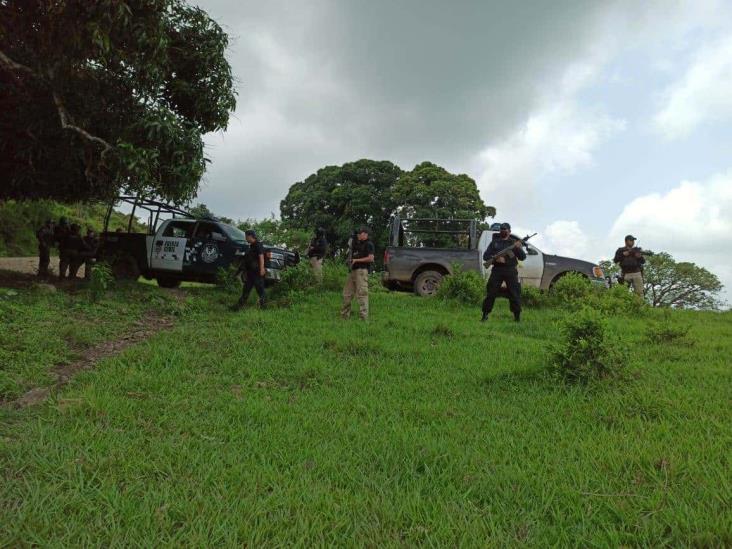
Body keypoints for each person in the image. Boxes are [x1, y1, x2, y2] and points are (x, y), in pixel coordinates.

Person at [481, 222, 526, 322]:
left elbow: (523, 257)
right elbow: (485, 256)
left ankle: (517, 318)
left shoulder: (513, 243)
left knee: (515, 293)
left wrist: (518, 247)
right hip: (497, 270)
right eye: (501, 229)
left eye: (505, 230)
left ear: (509, 231)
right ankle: (485, 315)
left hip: (511, 270)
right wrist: (496, 259)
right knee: (491, 292)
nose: (503, 231)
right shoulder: (494, 243)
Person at [341, 226, 374, 320]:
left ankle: (363, 318)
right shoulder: (356, 243)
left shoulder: (369, 244)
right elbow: (349, 249)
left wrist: (357, 260)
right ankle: (344, 316)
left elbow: (371, 258)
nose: (358, 235)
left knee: (362, 294)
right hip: (352, 271)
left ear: (365, 234)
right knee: (347, 293)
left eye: (360, 233)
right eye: (358, 234)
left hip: (362, 271)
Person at [233, 229, 266, 309]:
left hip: (257, 272)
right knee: (246, 289)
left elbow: (261, 257)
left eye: (246, 236)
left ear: (250, 236)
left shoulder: (258, 245)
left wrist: (262, 269)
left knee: (260, 289)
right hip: (250, 273)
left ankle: (263, 306)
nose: (245, 238)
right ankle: (239, 306)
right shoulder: (251, 246)